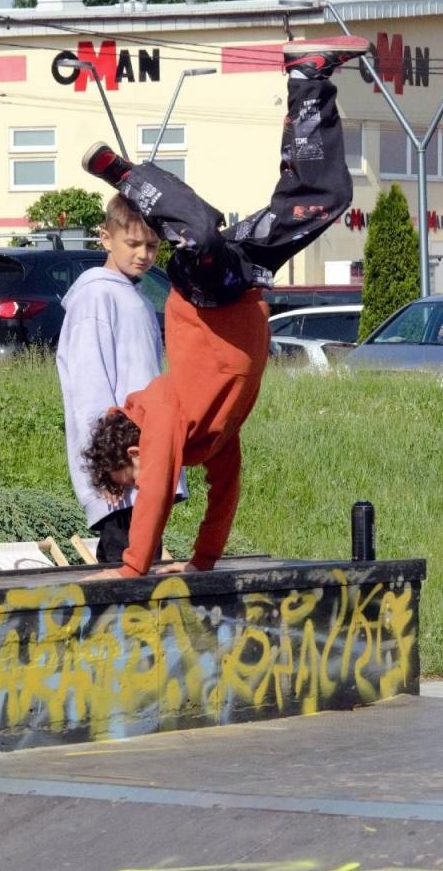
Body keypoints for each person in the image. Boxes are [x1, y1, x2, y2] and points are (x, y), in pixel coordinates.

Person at [77, 36, 371, 579]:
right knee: (321, 201)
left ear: (133, 449)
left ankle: (125, 177)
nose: (141, 486)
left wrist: (133, 567)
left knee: (201, 234)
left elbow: (161, 484)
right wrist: (202, 562)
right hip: (245, 280)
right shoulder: (211, 438)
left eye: (130, 479)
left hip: (204, 292)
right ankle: (309, 78)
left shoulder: (161, 414)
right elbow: (224, 496)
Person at [55, 198, 185, 564]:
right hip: (121, 469)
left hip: (145, 462)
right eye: (133, 244)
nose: (144, 255)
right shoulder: (96, 296)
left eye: (152, 246)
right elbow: (89, 386)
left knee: (144, 565)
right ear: (105, 238)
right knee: (123, 568)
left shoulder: (138, 298)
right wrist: (108, 467)